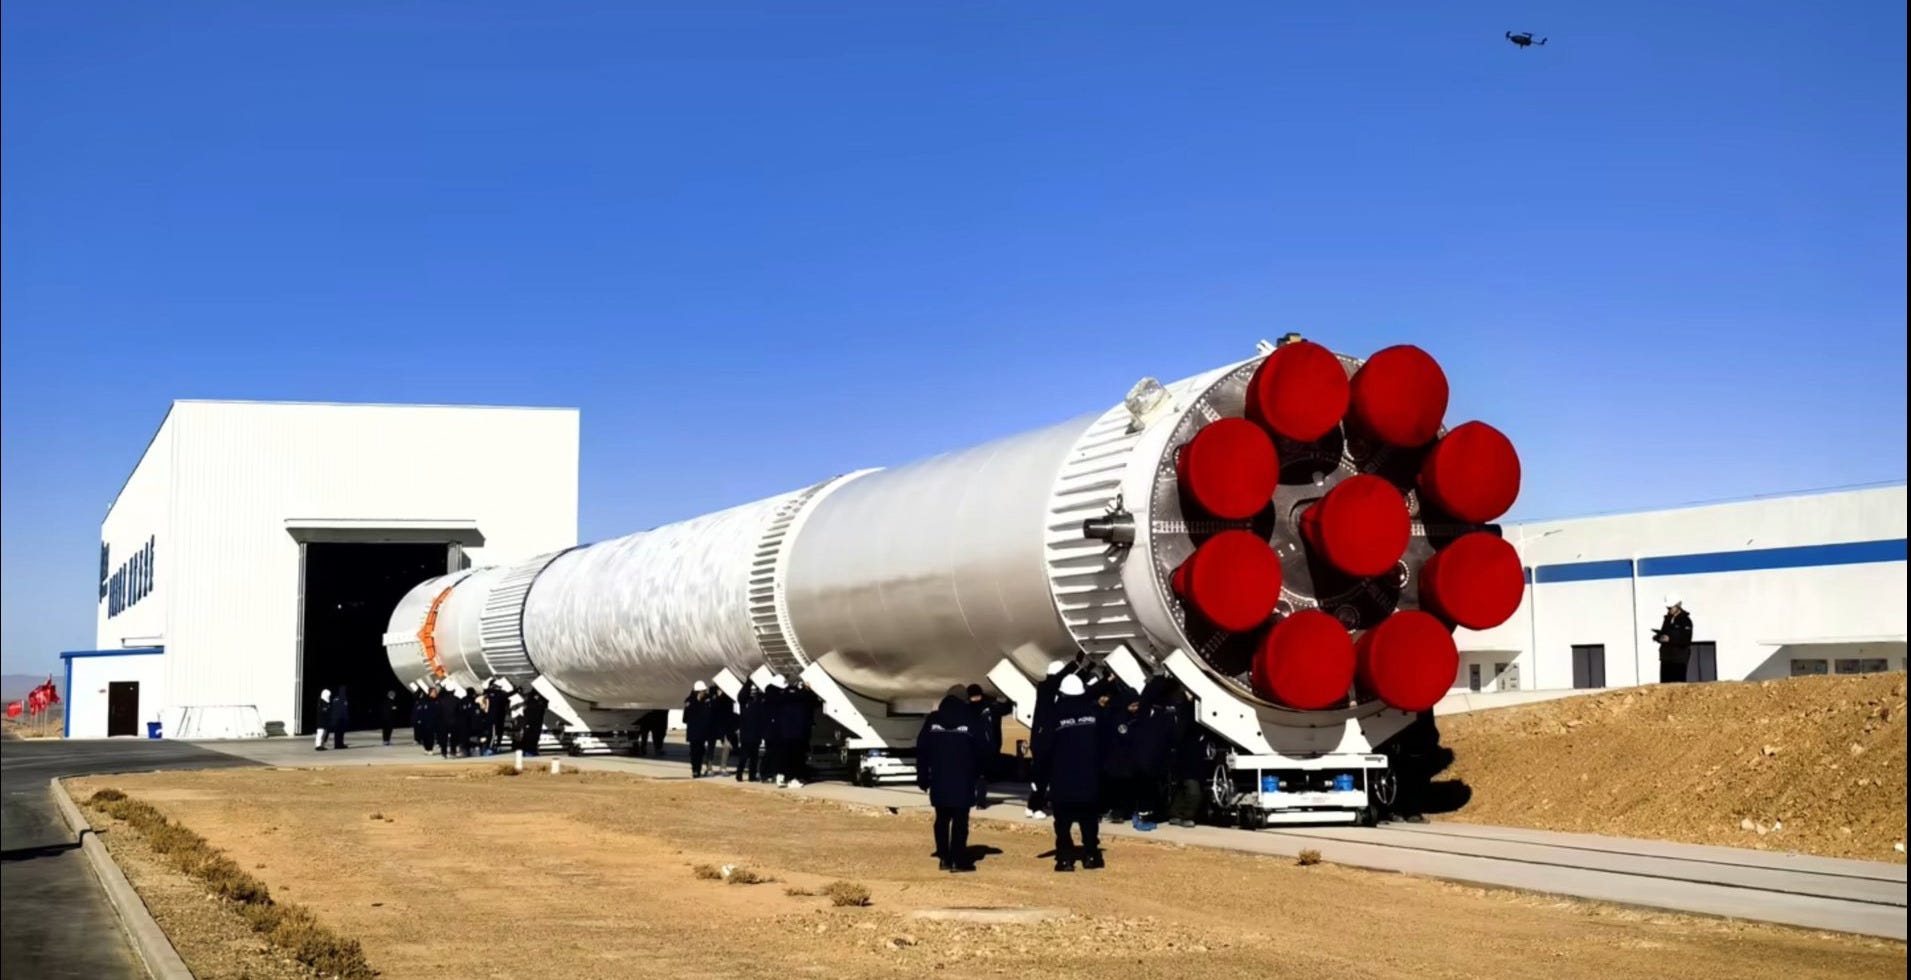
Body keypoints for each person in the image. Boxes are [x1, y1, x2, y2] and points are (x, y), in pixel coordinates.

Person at [1037, 673, 1104, 871]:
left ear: (1062, 693)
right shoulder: (1094, 713)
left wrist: (1043, 776)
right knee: (1089, 820)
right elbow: (1104, 744)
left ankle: (1065, 859)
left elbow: (1044, 748)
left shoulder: (1054, 714)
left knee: (1063, 823)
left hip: (1062, 779)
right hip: (1089, 778)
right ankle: (1091, 856)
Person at [917, 686, 987, 872]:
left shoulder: (933, 720)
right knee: (960, 820)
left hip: (939, 778)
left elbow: (922, 750)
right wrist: (979, 773)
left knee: (941, 819)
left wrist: (922, 777)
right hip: (962, 778)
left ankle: (943, 857)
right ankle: (958, 859)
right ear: (964, 700)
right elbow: (982, 748)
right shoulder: (971, 719)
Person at [1027, 661, 1071, 819]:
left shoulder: (1052, 692)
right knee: (1041, 777)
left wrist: (1085, 670)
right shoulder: (1045, 687)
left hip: (1044, 740)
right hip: (1042, 742)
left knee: (1042, 775)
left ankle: (1033, 805)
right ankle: (1036, 807)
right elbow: (1056, 680)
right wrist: (1073, 665)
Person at [1166, 686, 1212, 828]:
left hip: (1192, 761)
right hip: (1188, 760)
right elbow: (1187, 719)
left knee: (1183, 788)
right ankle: (1187, 816)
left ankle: (1175, 813)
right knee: (1193, 791)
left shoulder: (1192, 725)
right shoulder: (1186, 720)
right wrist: (1189, 702)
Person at [965, 684, 1008, 807]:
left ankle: (975, 800)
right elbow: (1005, 709)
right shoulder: (989, 706)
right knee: (981, 775)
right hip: (986, 746)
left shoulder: (968, 709)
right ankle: (980, 801)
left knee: (976, 775)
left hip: (975, 746)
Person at [772, 678, 817, 788]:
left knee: (785, 757)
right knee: (796, 758)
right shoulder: (802, 698)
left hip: (784, 733)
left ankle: (781, 777)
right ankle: (793, 779)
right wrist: (808, 689)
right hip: (797, 733)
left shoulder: (781, 698)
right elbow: (813, 701)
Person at [1653, 595, 1695, 684]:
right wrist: (1659, 637)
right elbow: (1664, 632)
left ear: (1678, 605)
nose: (1669, 609)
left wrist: (1670, 639)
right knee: (1665, 687)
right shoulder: (1667, 619)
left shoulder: (1685, 621)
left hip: (1678, 660)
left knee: (1677, 686)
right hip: (1666, 659)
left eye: (1670, 607)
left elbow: (1686, 640)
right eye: (1667, 607)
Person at [683, 680, 719, 777]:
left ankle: (697, 769)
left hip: (702, 731)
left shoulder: (707, 700)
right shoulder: (690, 701)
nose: (704, 692)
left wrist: (714, 691)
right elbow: (686, 717)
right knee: (695, 752)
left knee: (700, 751)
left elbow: (714, 708)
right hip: (694, 731)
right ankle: (695, 770)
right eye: (702, 691)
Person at [736, 679, 766, 782]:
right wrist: (748, 683)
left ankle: (751, 776)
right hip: (747, 733)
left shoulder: (759, 702)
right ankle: (739, 774)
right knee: (744, 756)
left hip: (755, 733)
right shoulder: (744, 702)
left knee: (754, 757)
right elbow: (741, 695)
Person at [711, 687, 738, 774]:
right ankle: (711, 767)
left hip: (724, 724)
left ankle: (722, 767)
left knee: (726, 746)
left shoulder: (727, 698)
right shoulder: (714, 694)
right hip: (716, 724)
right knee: (712, 746)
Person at [519, 688, 548, 756]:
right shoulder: (539, 702)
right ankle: (529, 750)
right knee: (531, 736)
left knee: (528, 735)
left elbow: (525, 711)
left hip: (531, 722)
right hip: (534, 721)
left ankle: (527, 750)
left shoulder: (529, 702)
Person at [486, 682, 510, 755]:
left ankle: (491, 747)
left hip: (491, 717)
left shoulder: (489, 694)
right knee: (496, 733)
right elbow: (506, 698)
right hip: (498, 717)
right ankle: (491, 748)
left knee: (492, 733)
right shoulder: (501, 695)